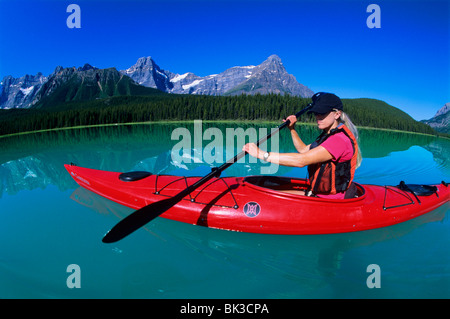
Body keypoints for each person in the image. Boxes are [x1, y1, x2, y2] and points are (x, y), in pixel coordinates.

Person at [242, 92, 362, 199]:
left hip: (331, 200)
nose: (318, 117)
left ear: (337, 114)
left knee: (268, 198)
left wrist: (261, 154)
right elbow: (303, 150)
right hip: (317, 193)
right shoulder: (328, 135)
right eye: (316, 113)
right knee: (269, 192)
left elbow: (301, 161)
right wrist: (292, 129)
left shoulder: (339, 140)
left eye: (322, 113)